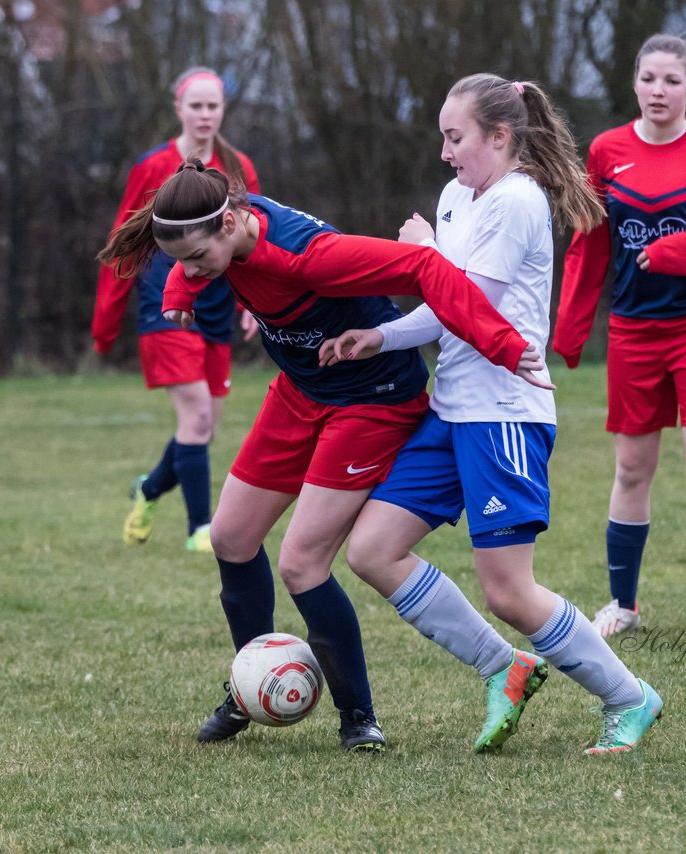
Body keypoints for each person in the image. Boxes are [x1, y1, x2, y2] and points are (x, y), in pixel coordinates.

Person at [97, 159, 550, 752]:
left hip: (372, 399)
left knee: (302, 562)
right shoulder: (223, 225)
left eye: (196, 259)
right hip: (303, 390)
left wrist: (502, 342)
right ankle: (249, 683)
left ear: (231, 223)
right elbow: (197, 257)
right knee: (231, 537)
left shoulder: (314, 256)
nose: (188, 271)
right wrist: (184, 285)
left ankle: (359, 716)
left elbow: (423, 265)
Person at [320, 74, 662, 756]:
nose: (446, 153)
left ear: (499, 137)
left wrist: (420, 252)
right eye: (443, 138)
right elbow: (442, 306)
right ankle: (503, 667)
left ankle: (630, 697)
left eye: (456, 138)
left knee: (509, 591)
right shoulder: (456, 197)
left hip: (504, 415)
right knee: (372, 550)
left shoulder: (518, 201)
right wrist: (380, 336)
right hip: (451, 412)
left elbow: (467, 301)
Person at [555, 34, 686, 642]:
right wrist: (569, 328)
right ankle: (623, 605)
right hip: (633, 331)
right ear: (635, 83)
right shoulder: (605, 150)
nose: (658, 91)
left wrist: (679, 251)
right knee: (631, 469)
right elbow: (589, 242)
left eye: (672, 81)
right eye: (649, 78)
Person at [91, 67, 261, 553]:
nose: (205, 114)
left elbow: (253, 238)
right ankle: (199, 529)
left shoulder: (238, 165)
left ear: (222, 110)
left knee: (204, 425)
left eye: (214, 106)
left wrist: (257, 303)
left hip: (219, 306)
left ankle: (147, 490)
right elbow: (123, 243)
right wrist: (105, 324)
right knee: (198, 420)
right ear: (179, 109)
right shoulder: (152, 165)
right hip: (161, 306)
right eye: (197, 106)